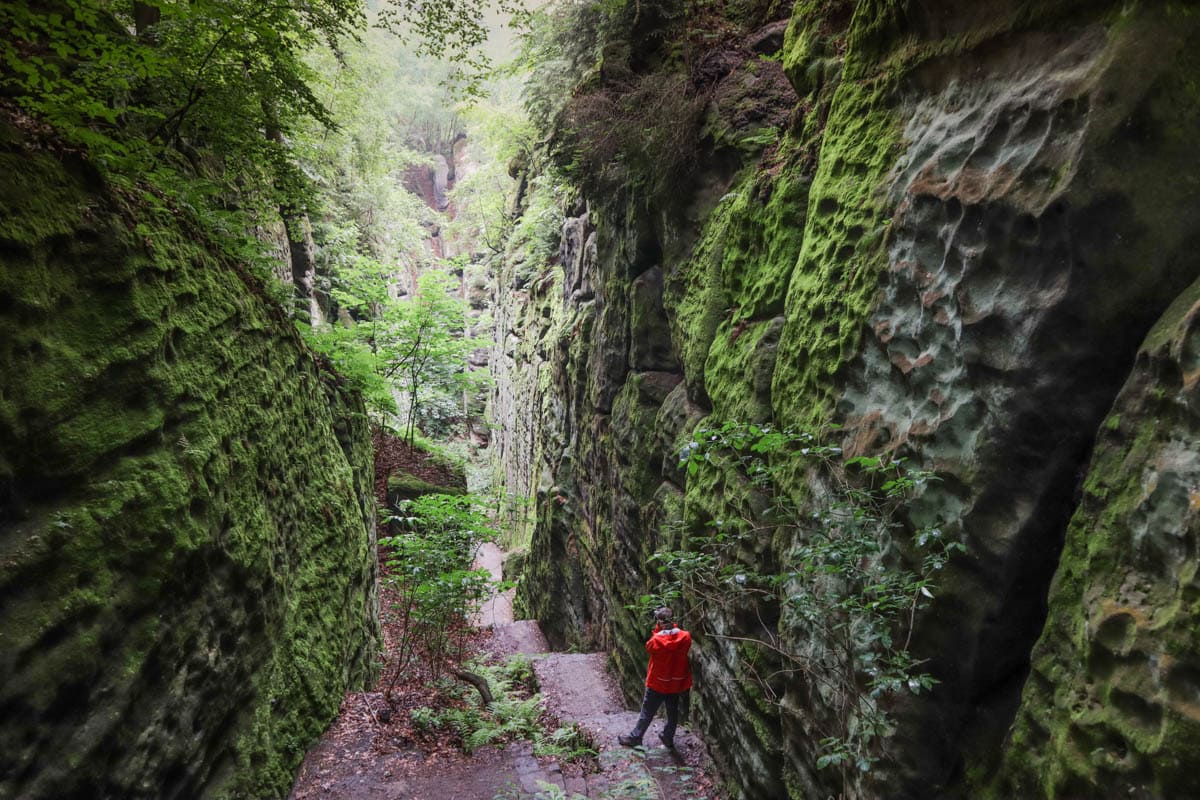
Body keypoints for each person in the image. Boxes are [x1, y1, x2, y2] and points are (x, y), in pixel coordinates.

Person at [618, 606, 692, 749]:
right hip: (675, 681)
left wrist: (660, 630)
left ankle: (636, 737)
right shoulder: (685, 637)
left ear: (659, 622)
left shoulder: (655, 641)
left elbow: (652, 647)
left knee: (648, 711)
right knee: (672, 711)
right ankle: (668, 737)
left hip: (657, 682)